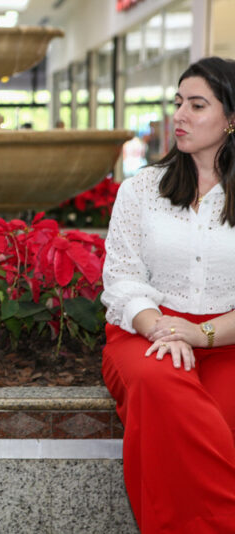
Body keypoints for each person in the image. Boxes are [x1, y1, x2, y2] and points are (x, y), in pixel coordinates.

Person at [101, 56, 235, 533]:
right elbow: (121, 277)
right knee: (161, 385)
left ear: (231, 118)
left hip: (226, 337)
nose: (179, 115)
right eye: (178, 102)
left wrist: (200, 334)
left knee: (219, 416)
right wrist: (162, 327)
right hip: (144, 332)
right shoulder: (141, 190)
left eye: (197, 105)